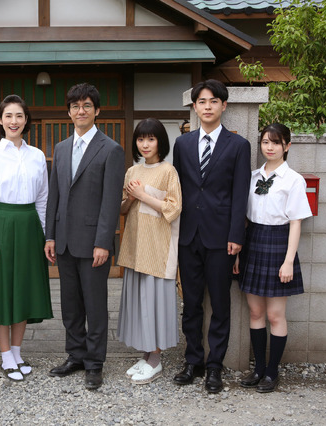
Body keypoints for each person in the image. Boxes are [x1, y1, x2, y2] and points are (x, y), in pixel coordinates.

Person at [172, 79, 251, 393]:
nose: (207, 106)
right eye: (202, 102)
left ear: (223, 105)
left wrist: (236, 235)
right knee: (191, 303)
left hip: (221, 238)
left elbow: (240, 193)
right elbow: (178, 190)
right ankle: (193, 361)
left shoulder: (239, 145)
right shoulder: (182, 144)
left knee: (220, 303)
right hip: (188, 235)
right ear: (194, 107)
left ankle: (215, 366)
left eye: (213, 101)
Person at [45, 83, 125, 390]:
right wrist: (50, 236)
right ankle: (75, 355)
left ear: (97, 111)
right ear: (69, 112)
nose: (81, 111)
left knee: (95, 305)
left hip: (94, 244)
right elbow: (54, 194)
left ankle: (94, 363)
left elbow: (110, 201)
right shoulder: (61, 148)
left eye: (87, 105)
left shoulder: (111, 149)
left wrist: (104, 241)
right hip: (64, 240)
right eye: (76, 106)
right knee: (70, 305)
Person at [0, 95, 53, 382]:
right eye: (8, 115)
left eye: (19, 115)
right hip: (3, 224)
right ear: (0, 120)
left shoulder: (37, 155)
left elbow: (43, 199)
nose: (14, 121)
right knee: (3, 289)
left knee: (23, 288)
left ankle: (18, 352)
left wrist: (46, 236)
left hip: (30, 225)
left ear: (26, 120)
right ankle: (5, 354)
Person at [234, 123, 312, 393]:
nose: (270, 147)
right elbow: (244, 218)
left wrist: (288, 261)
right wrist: (239, 252)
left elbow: (296, 222)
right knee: (256, 312)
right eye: (265, 142)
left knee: (275, 315)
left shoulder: (294, 180)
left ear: (287, 146)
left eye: (276, 142)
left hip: (279, 244)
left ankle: (272, 372)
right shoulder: (252, 177)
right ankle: (258, 369)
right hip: (252, 241)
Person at [117, 118, 182, 384]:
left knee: (154, 303)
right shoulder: (132, 171)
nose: (145, 144)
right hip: (135, 245)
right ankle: (146, 355)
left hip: (157, 248)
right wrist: (132, 197)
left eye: (151, 139)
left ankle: (155, 359)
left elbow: (174, 209)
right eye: (141, 139)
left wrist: (144, 196)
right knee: (140, 303)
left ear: (160, 142)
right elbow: (122, 209)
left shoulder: (168, 171)